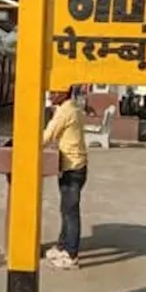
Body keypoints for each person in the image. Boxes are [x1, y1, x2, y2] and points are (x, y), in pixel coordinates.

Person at [42, 86, 89, 269]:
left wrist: (24, 140)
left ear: (64, 93)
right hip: (74, 165)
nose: (50, 94)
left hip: (72, 168)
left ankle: (71, 254)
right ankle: (62, 246)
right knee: (65, 209)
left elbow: (47, 136)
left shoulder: (65, 111)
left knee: (70, 212)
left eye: (54, 92)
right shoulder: (71, 107)